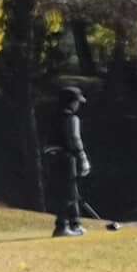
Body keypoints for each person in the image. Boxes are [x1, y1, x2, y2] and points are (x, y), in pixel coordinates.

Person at [44, 84, 95, 237]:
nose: (78, 104)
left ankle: (75, 224)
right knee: (67, 193)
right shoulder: (71, 118)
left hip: (51, 156)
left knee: (70, 191)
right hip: (65, 157)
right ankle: (62, 227)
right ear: (70, 102)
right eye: (77, 101)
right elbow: (74, 139)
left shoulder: (51, 116)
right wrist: (83, 158)